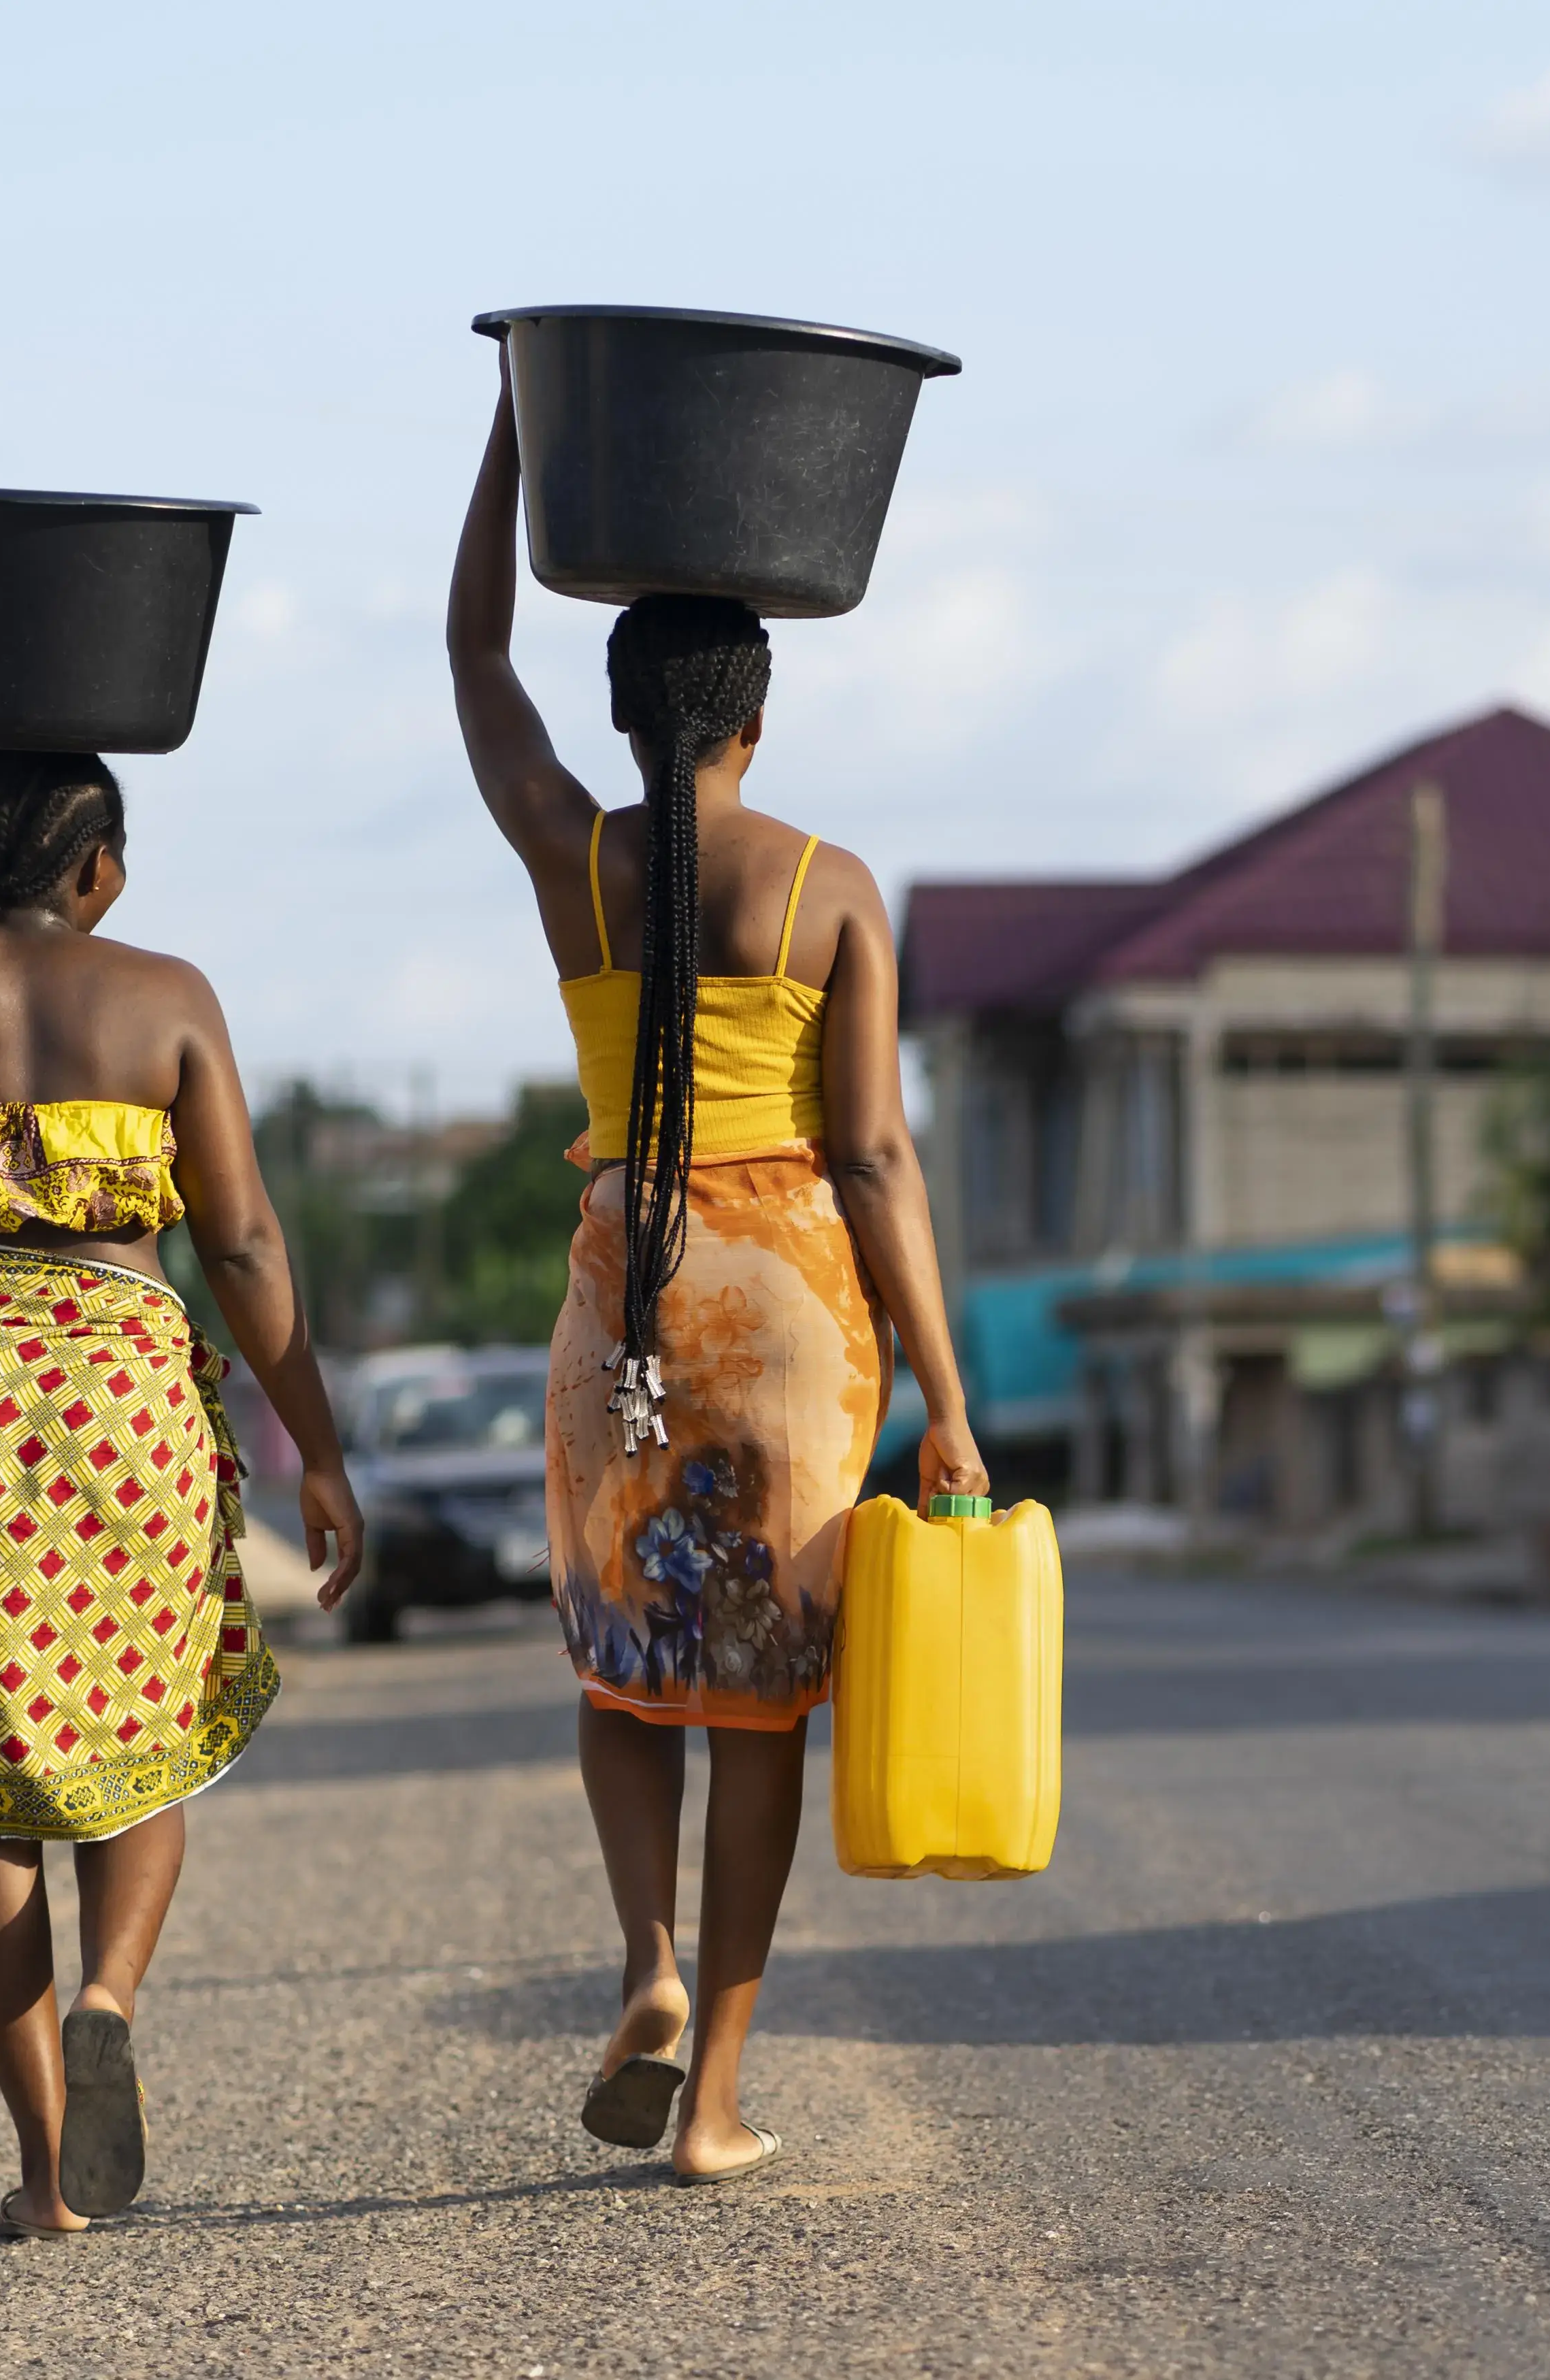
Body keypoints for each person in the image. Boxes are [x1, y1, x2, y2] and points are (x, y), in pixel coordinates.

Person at [0, 459, 366, 2238]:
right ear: (102, 869)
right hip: (115, 1377)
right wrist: (316, 1444)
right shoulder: (167, 998)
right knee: (145, 1735)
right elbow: (243, 1242)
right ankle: (113, 2002)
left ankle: (42, 2179)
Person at [446, 360, 985, 2186]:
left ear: (622, 712)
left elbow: (470, 666)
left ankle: (648, 1966)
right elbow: (879, 1155)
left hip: (630, 1294)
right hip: (795, 1325)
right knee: (761, 1695)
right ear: (760, 710)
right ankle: (720, 2102)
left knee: (623, 1666)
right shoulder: (832, 884)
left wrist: (516, 436)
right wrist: (955, 1401)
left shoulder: (572, 862)